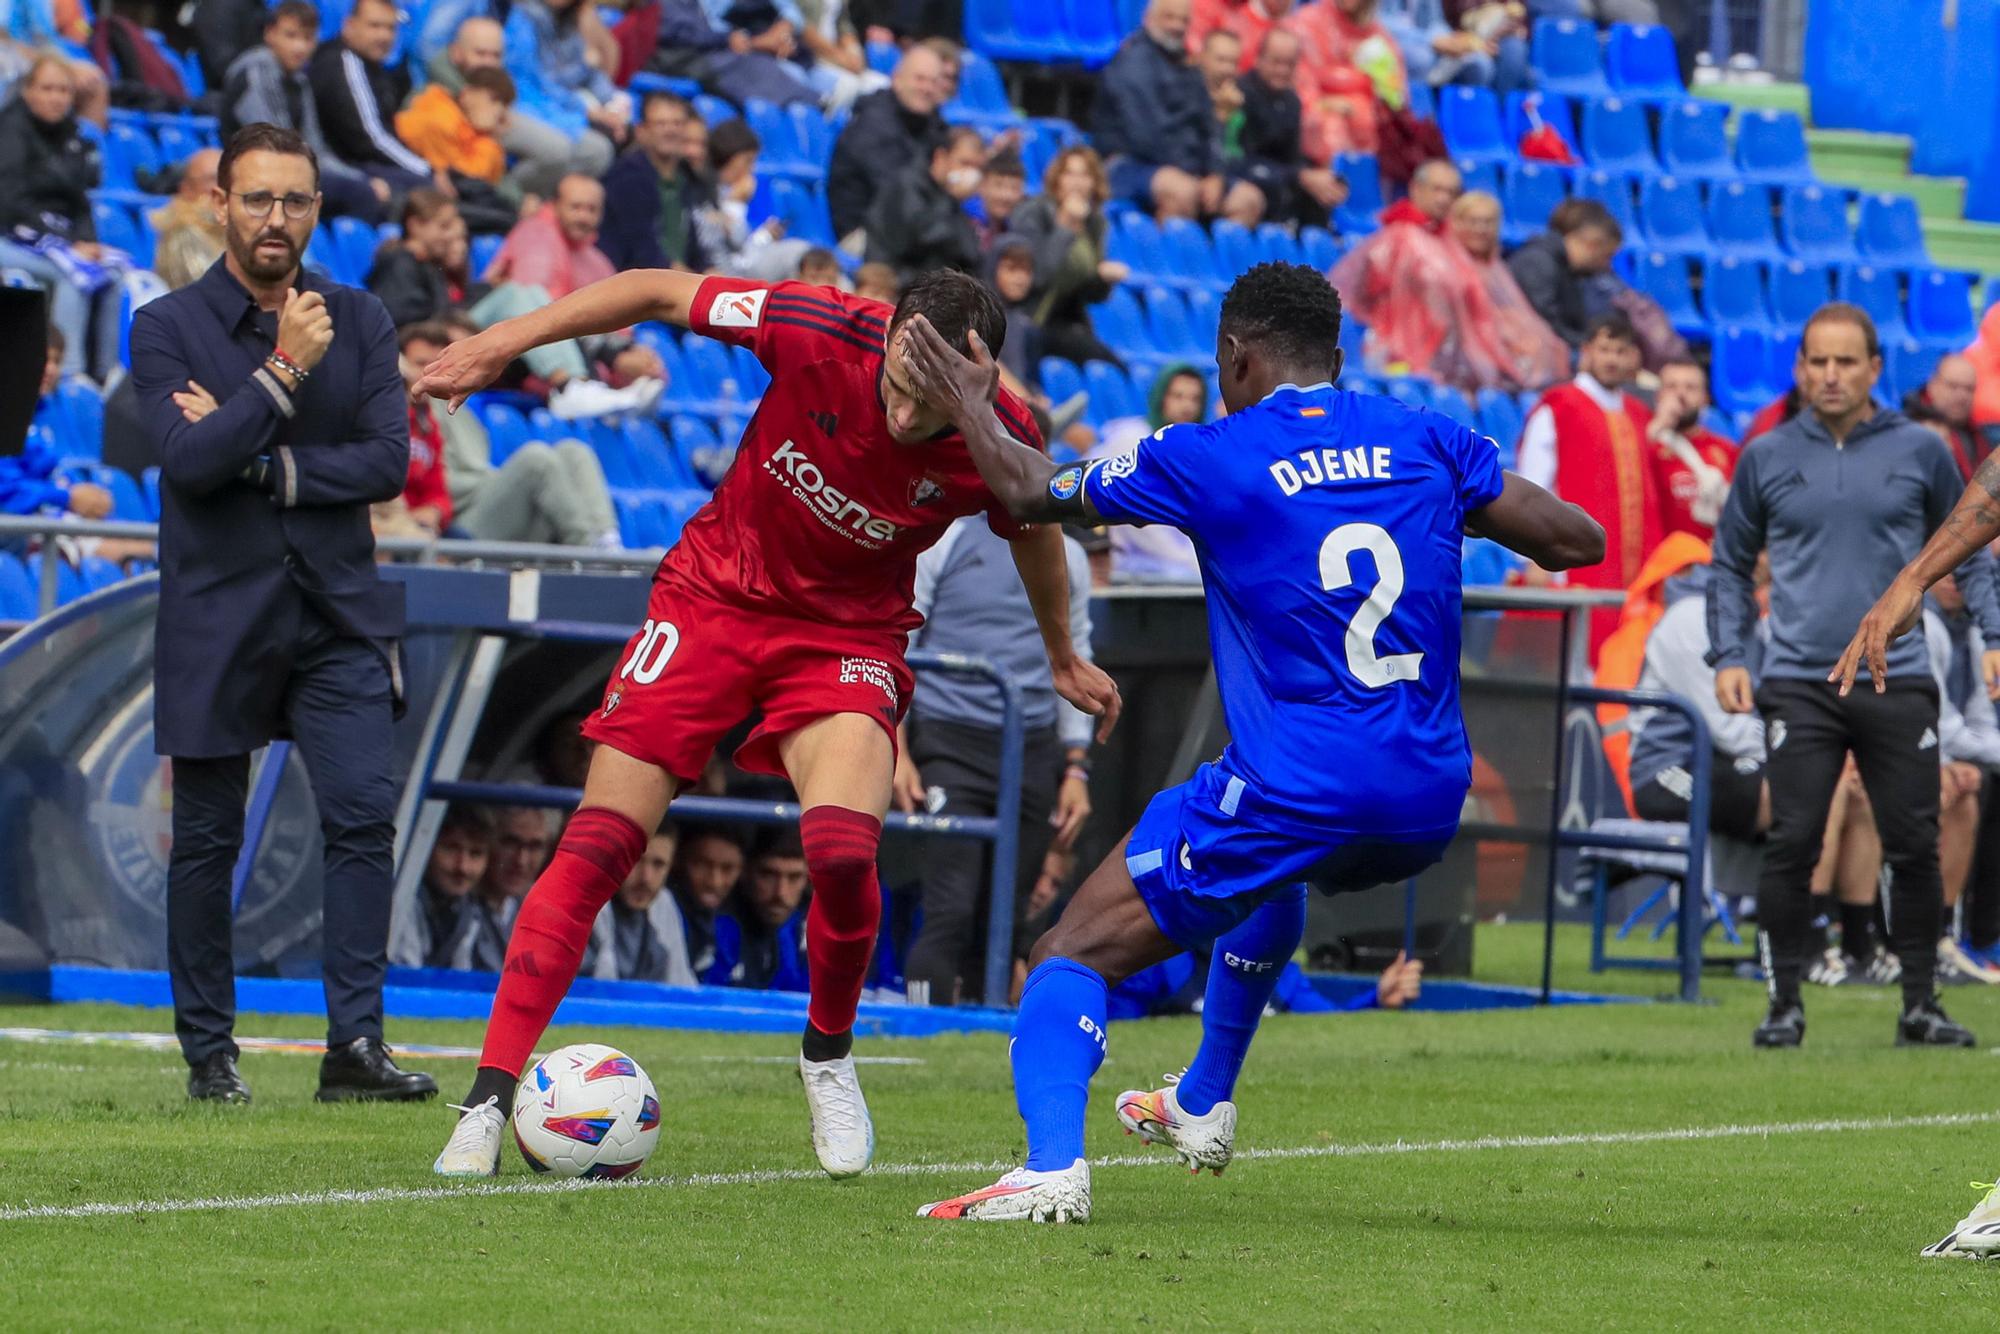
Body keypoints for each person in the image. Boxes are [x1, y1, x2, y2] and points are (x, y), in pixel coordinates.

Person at [898, 260, 1600, 1221]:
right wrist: (1449, 496)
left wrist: (978, 402)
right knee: (1272, 874)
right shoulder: (1425, 438)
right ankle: (1200, 1099)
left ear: (1233, 355)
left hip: (1304, 782)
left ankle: (1050, 1168)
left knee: (1071, 949)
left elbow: (1023, 492)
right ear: (1339, 359)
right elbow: (1577, 541)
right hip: (1434, 796)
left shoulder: (1210, 452)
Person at [415, 265, 1118, 1181]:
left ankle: (826, 1054)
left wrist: (1061, 653)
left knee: (838, 853)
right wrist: (502, 343)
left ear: (976, 380)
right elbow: (656, 291)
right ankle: (485, 1100)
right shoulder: (817, 325)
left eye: (932, 403)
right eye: (899, 391)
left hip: (845, 634)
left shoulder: (1002, 433)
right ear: (890, 341)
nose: (906, 419)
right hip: (711, 598)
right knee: (594, 847)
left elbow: (1036, 525)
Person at [129, 124, 435, 1105]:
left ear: (315, 209)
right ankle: (209, 1056)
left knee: (360, 820)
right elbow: (184, 462)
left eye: (295, 201)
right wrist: (284, 373)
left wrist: (259, 455)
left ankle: (354, 1046)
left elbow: (386, 459)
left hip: (338, 610)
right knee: (208, 841)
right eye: (257, 198)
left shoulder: (362, 315)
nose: (276, 219)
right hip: (218, 613)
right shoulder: (164, 324)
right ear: (220, 203)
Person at [1726, 303, 2000, 1050]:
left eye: (1847, 362)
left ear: (1876, 369)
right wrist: (1727, 656)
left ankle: (1920, 1003)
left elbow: (1970, 544)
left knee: (1914, 843)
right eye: (1817, 361)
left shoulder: (1921, 450)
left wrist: (1994, 632)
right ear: (1799, 368)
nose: (1831, 375)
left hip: (1898, 676)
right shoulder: (1766, 455)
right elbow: (1727, 563)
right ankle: (1783, 1001)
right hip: (1799, 679)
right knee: (1793, 840)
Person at [897, 515, 1097, 1005]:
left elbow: (1075, 654)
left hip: (1028, 747)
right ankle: (924, 1034)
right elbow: (899, 641)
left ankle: (980, 1042)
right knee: (951, 906)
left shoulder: (1067, 553)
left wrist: (1075, 768)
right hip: (949, 739)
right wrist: (897, 750)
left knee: (1006, 917)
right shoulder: (944, 537)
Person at [1513, 313, 1662, 656]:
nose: (1612, 359)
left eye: (1621, 351)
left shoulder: (1639, 414)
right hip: (1574, 561)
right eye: (1604, 349)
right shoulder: (1559, 406)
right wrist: (1531, 554)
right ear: (1586, 351)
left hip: (1630, 568)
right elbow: (1532, 484)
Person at [398, 322, 621, 546]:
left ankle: (608, 541)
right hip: (459, 524)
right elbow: (443, 488)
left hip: (488, 507)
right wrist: (494, 481)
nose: (430, 373)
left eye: (438, 365)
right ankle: (588, 551)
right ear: (402, 366)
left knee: (573, 451)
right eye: (420, 364)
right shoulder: (401, 414)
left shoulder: (458, 410)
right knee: (536, 460)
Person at [1628, 558, 1770, 840]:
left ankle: (1822, 886)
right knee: (1789, 795)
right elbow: (1727, 729)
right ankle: (1794, 885)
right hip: (1665, 767)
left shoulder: (1755, 623)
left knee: (1845, 793)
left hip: (1725, 760)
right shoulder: (1690, 616)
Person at [0, 56, 121, 381]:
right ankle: (71, 375)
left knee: (110, 274)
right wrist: (68, 245)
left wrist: (88, 242)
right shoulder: (8, 132)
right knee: (74, 277)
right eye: (47, 88)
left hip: (56, 240)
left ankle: (105, 376)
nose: (56, 98)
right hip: (9, 235)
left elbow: (80, 202)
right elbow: (10, 203)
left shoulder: (73, 135)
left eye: (64, 90)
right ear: (27, 91)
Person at [222, 0, 392, 223]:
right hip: (258, 175)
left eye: (307, 38)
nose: (299, 47)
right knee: (360, 195)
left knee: (372, 186)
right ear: (270, 34)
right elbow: (273, 145)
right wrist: (359, 185)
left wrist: (362, 179)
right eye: (291, 36)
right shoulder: (257, 70)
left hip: (293, 172)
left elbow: (315, 147)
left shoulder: (300, 81)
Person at [1096, 0, 1264, 225]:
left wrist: (1215, 174)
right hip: (1130, 163)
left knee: (1249, 200)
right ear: (1149, 19)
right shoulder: (1132, 63)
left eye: (1183, 20)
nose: (1177, 25)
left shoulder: (1188, 66)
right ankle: (1160, 258)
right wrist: (1193, 175)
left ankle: (1208, 257)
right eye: (1169, 17)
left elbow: (1209, 125)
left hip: (1186, 166)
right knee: (1181, 192)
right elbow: (1146, 137)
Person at [427, 16, 610, 201]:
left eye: (496, 55)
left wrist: (576, 115)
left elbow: (534, 87)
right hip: (468, 175)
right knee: (555, 152)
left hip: (518, 115)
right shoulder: (438, 92)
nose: (489, 62)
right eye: (480, 54)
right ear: (457, 52)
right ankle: (511, 201)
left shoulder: (498, 78)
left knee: (597, 151)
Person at [1923, 575, 2000, 985]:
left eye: (1963, 571)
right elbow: (1937, 719)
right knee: (1967, 789)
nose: (1953, 580)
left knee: (1985, 783)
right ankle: (1924, 937)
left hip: (1950, 751)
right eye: (1945, 570)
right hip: (1912, 751)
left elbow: (1980, 714)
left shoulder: (1973, 631)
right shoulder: (1922, 623)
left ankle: (1976, 936)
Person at [1006, 146, 1127, 369]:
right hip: (1032, 317)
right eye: (1069, 173)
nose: (1077, 182)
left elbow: (1091, 295)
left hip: (1068, 321)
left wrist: (1103, 280)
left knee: (1117, 368)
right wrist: (1066, 227)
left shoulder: (1095, 224)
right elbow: (1037, 274)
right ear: (1057, 179)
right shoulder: (1035, 212)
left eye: (1085, 175)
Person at [1086, 364, 1208, 584]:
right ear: (1161, 397)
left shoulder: (1192, 452)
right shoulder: (1133, 439)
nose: (1187, 406)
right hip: (1129, 562)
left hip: (1174, 562)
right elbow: (1144, 531)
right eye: (1178, 396)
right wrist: (1190, 562)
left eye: (1195, 398)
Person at [309, 0, 437, 195]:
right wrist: (427, 170)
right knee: (431, 191)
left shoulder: (373, 67)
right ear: (349, 26)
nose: (384, 36)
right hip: (345, 169)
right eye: (374, 26)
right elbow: (372, 139)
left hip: (364, 165)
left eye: (391, 28)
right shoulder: (346, 62)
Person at [827, 42, 950, 241]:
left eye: (933, 82)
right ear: (897, 79)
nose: (927, 88)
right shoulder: (872, 123)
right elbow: (893, 193)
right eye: (920, 79)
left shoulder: (932, 125)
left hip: (910, 227)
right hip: (863, 231)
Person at [503, 0, 630, 178]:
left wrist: (610, 102)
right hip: (526, 104)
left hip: (561, 106)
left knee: (614, 138)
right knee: (571, 151)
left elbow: (589, 70)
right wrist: (588, 111)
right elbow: (536, 81)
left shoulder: (569, 19)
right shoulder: (524, 16)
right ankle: (512, 199)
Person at [1238, 28, 1347, 227]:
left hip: (1279, 173)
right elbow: (1242, 156)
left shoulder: (1291, 101)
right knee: (1277, 184)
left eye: (1289, 64)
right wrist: (1300, 175)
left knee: (1321, 190)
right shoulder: (1241, 93)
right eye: (1276, 62)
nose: (1282, 70)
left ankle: (1313, 252)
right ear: (1259, 59)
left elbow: (1292, 157)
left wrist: (1322, 179)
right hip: (1245, 171)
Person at [598, 91, 714, 273]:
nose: (670, 130)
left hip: (677, 281)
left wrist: (710, 273)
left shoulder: (684, 178)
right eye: (661, 124)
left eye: (678, 123)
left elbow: (694, 249)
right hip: (636, 286)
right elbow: (644, 254)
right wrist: (695, 282)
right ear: (641, 131)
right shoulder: (626, 177)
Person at [693, 119, 815, 282]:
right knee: (798, 252)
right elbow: (737, 247)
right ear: (729, 156)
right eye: (747, 160)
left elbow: (741, 244)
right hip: (727, 273)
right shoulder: (707, 191)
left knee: (813, 255)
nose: (751, 168)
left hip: (741, 264)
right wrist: (735, 202)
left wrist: (764, 235)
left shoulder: (724, 190)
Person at [865, 126, 986, 284]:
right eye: (964, 163)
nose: (970, 174)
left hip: (932, 287)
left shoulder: (952, 200)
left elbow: (970, 254)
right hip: (893, 281)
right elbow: (923, 239)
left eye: (976, 167)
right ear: (940, 157)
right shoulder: (907, 187)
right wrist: (952, 199)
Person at [587, 822, 698, 983]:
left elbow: (680, 985)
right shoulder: (584, 901)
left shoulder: (663, 903)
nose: (646, 878)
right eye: (636, 860)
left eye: (658, 864)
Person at [1508, 197, 1622, 351]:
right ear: (1592, 245)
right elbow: (1545, 325)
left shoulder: (1569, 269)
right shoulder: (1538, 263)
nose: (1607, 265)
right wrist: (1588, 347)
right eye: (1607, 256)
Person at [483, 173, 617, 302]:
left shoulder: (597, 262)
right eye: (575, 207)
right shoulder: (535, 234)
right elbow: (532, 302)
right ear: (555, 205)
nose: (584, 217)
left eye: (592, 209)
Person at [391, 803, 495, 968]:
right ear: (427, 847)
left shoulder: (469, 911)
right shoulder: (402, 902)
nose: (463, 867)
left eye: (476, 853)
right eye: (451, 848)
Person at [708, 832, 813, 989]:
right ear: (745, 873)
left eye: (794, 877)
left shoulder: (798, 925)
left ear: (807, 879)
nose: (781, 893)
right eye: (768, 875)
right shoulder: (719, 927)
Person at [365, 191, 484, 328]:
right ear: (415, 225)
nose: (450, 236)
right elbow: (405, 320)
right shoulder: (399, 264)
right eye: (444, 227)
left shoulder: (429, 264)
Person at [1647, 357, 1736, 542]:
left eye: (1690, 387)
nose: (1681, 394)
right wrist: (1658, 426)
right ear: (1658, 395)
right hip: (1662, 562)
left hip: (1710, 562)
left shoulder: (1727, 450)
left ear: (1705, 398)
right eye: (1672, 386)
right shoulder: (1647, 445)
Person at [394, 65, 514, 192]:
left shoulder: (471, 132)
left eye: (505, 105)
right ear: (467, 93)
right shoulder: (443, 119)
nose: (498, 111)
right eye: (494, 99)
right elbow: (468, 180)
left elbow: (490, 182)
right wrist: (491, 141)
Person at [674, 823, 748, 976]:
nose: (715, 882)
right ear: (679, 861)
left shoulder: (732, 926)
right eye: (702, 865)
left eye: (727, 868)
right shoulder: (664, 915)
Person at [150, 149, 225, 292]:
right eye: (212, 179)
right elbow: (201, 285)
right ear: (186, 188)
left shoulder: (238, 225)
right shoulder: (181, 229)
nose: (222, 187)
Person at [1902, 354, 1984, 483]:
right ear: (1932, 385)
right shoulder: (1908, 430)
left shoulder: (1978, 434)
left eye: (1969, 389)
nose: (1962, 396)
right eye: (1953, 386)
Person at [968, 147, 1026, 253]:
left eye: (1014, 188)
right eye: (998, 185)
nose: (1006, 196)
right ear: (981, 186)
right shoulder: (965, 224)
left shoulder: (1017, 231)